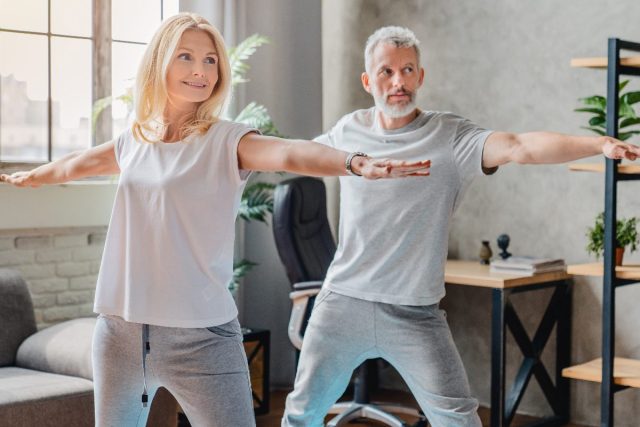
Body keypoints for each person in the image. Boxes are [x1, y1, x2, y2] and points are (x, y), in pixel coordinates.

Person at [0, 14, 431, 427]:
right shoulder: (135, 139)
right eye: (186, 56)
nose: (201, 70)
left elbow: (289, 152)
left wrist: (353, 162)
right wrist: (30, 176)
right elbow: (79, 164)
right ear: (159, 62)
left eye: (210, 60)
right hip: (119, 334)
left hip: (201, 339)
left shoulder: (227, 140)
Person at [281, 26, 640, 427]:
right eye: (386, 72)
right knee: (302, 414)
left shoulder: (450, 137)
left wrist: (598, 144)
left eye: (407, 70)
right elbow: (296, 155)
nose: (398, 82)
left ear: (421, 76)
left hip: (415, 312)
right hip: (343, 302)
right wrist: (229, 151)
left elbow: (520, 146)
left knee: (459, 420)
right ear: (368, 81)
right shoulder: (348, 131)